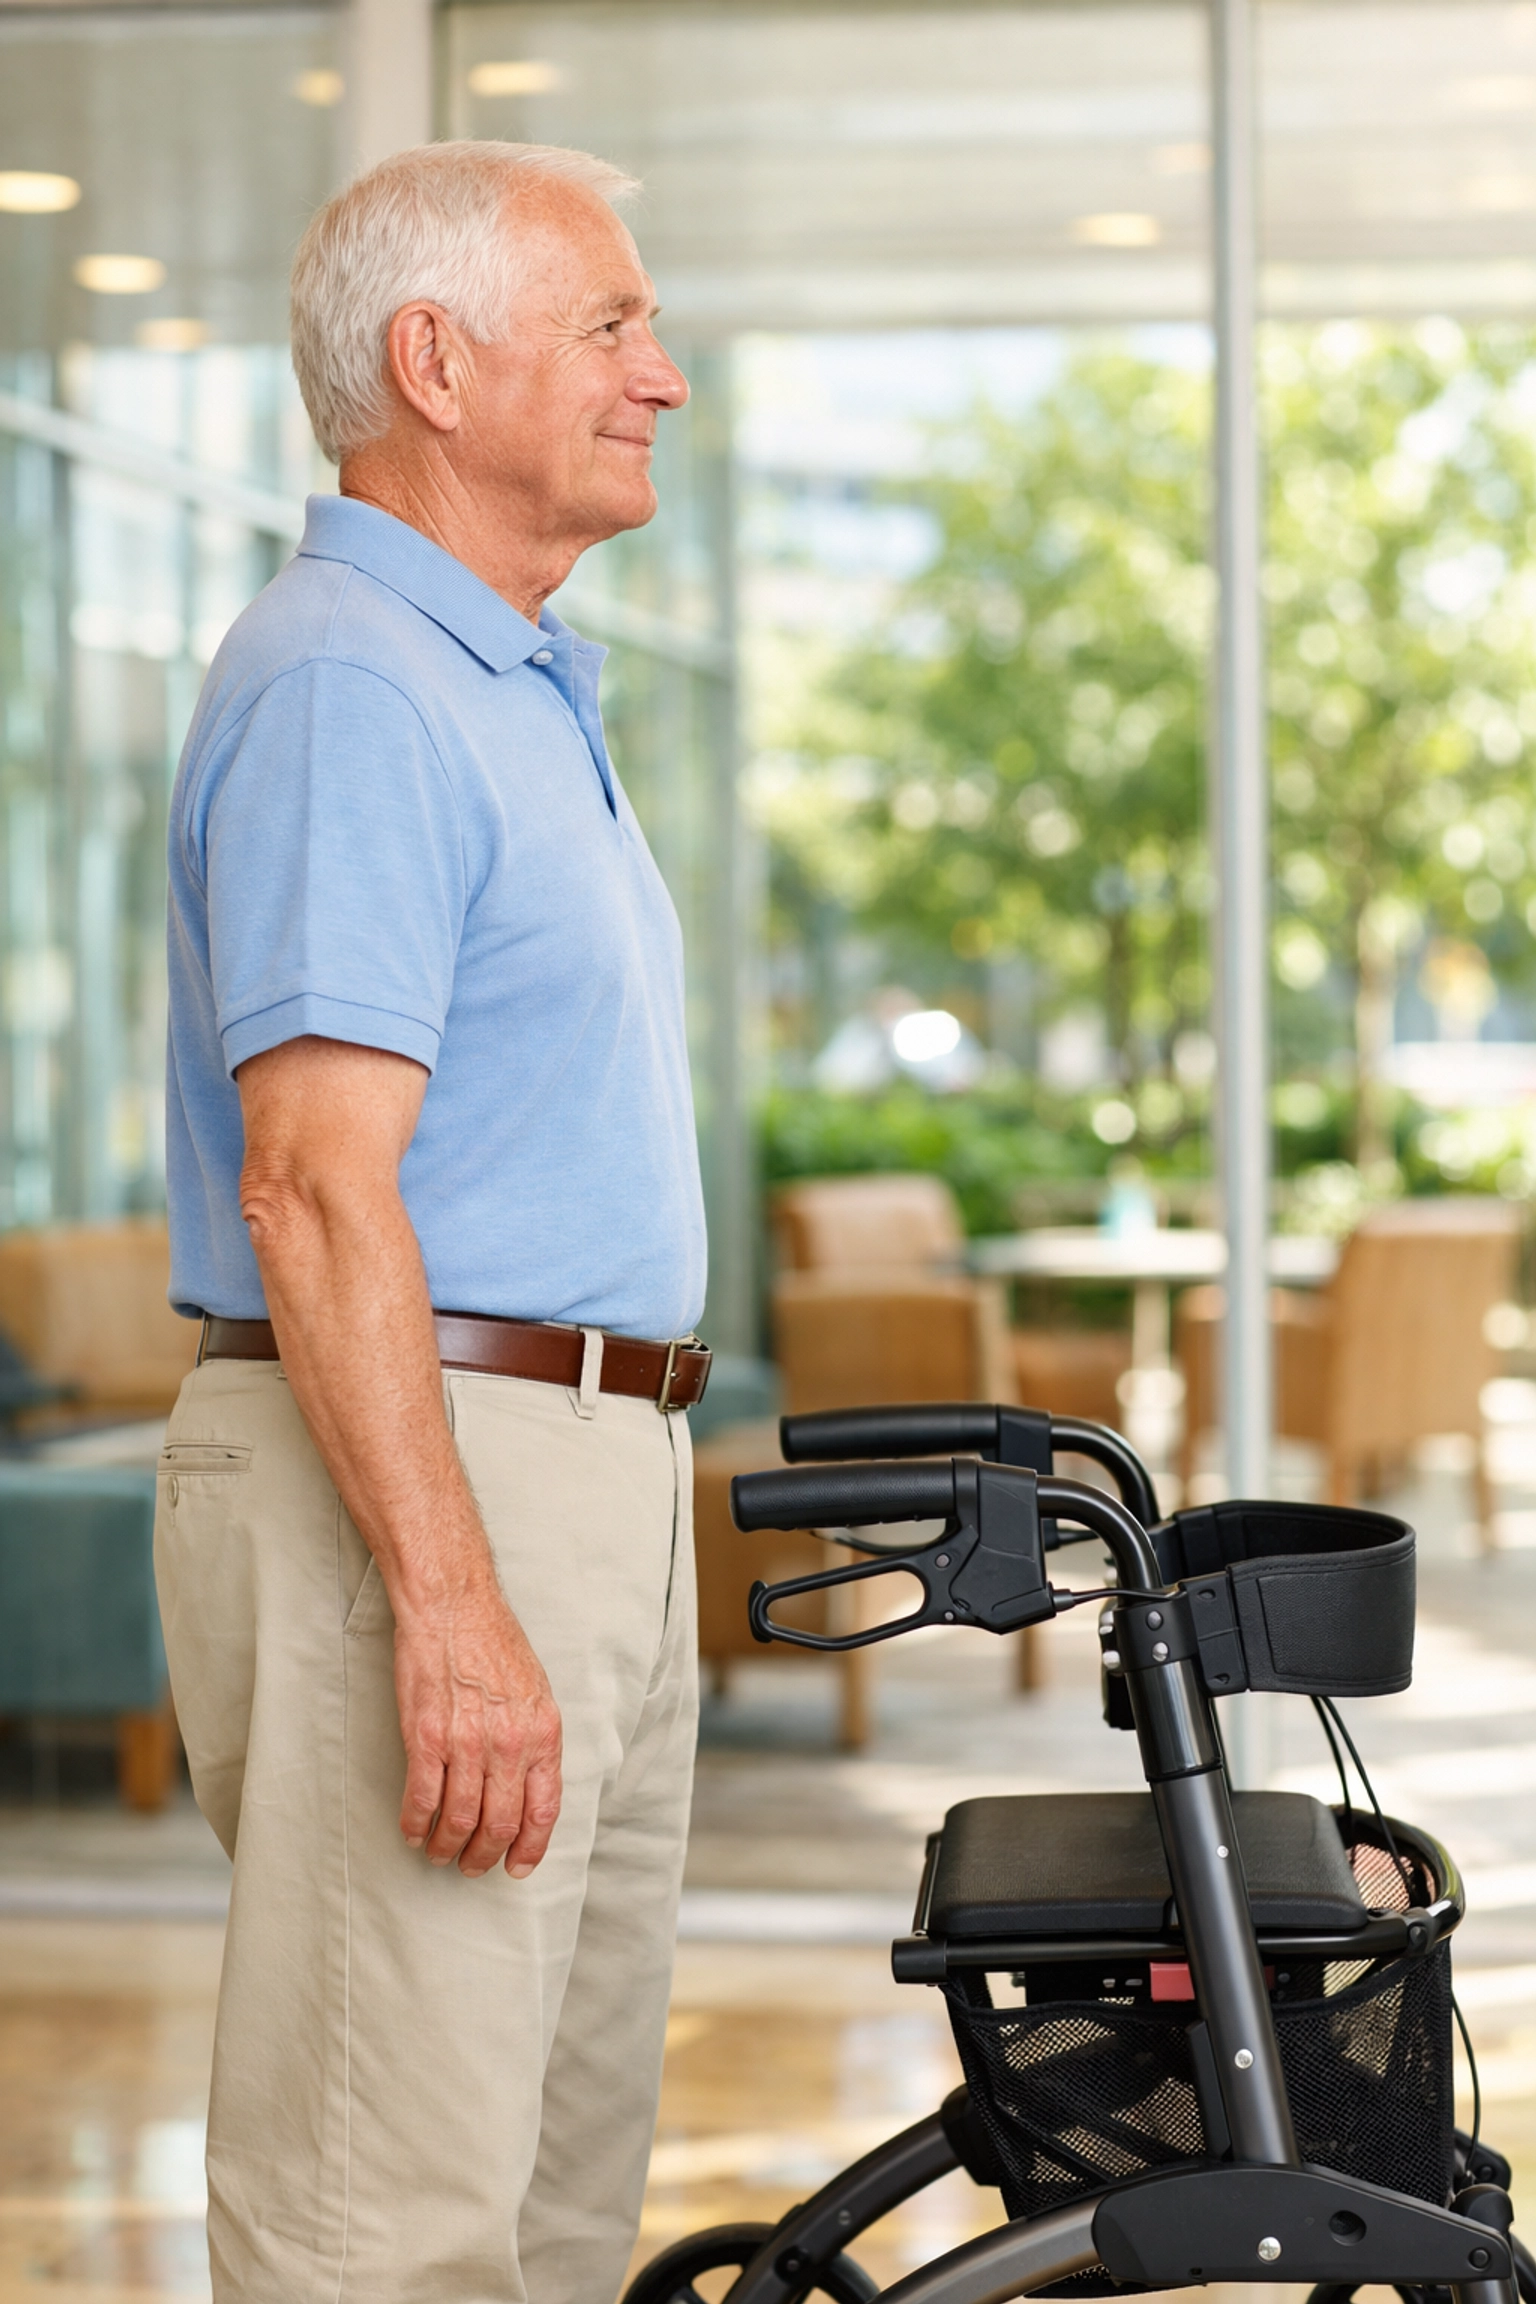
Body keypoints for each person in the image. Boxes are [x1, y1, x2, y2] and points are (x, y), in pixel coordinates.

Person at [155, 140, 709, 2304]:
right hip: (426, 1478)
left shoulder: (500, 684)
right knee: (382, 2222)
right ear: (436, 362)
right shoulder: (350, 686)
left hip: (565, 1472)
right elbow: (309, 1179)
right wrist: (452, 1604)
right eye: (611, 326)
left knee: (548, 2209)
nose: (661, 376)